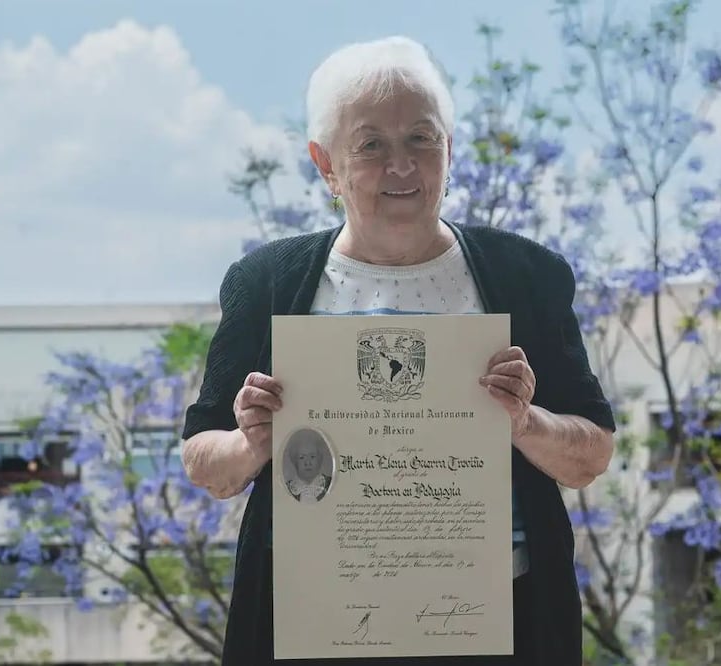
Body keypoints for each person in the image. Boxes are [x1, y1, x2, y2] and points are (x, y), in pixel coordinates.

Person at [180, 35, 615, 666]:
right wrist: (253, 443)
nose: (402, 166)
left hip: (499, 626)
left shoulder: (527, 276)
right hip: (317, 627)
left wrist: (525, 423)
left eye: (420, 138)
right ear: (324, 163)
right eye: (371, 146)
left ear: (449, 149)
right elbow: (204, 464)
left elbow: (590, 456)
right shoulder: (265, 283)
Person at [283, 430, 332, 504]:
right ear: (295, 460)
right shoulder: (286, 489)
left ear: (319, 459)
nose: (307, 463)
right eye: (302, 457)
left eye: (312, 457)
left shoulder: (330, 484)